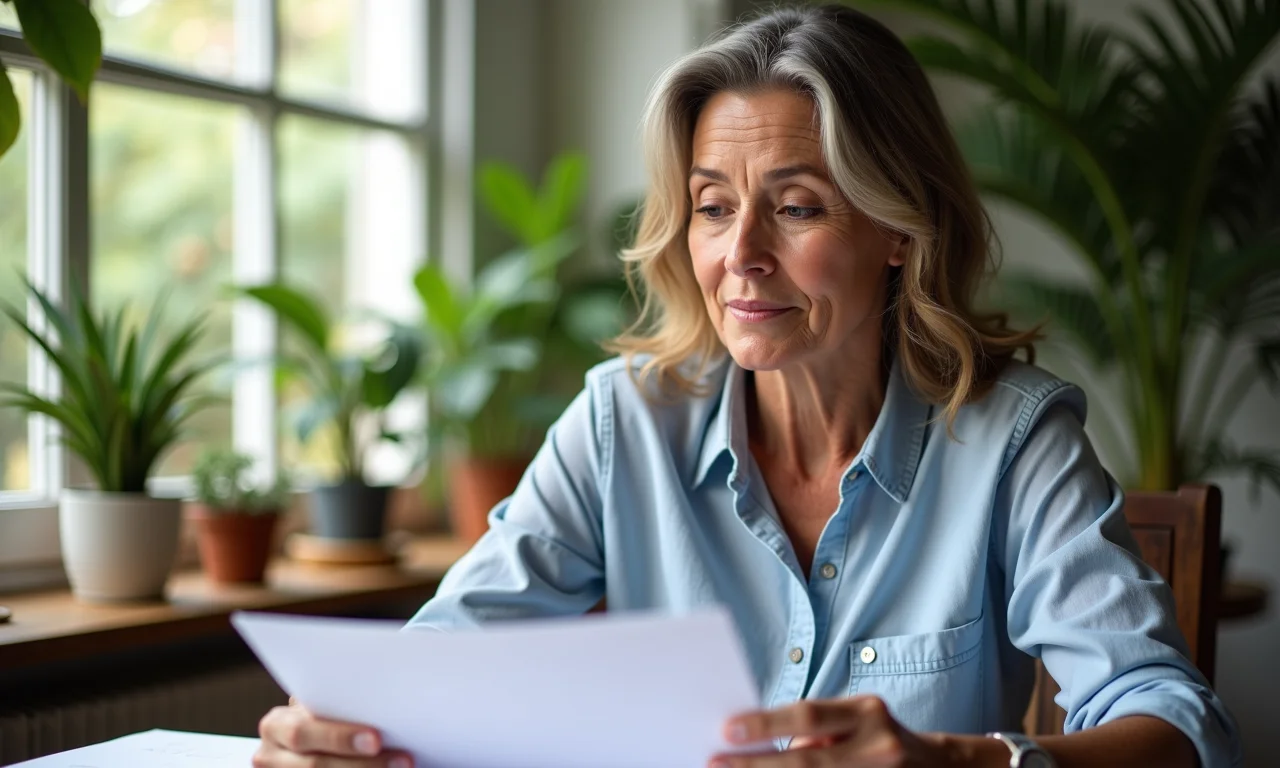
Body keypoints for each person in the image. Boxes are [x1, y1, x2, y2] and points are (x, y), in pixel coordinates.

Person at [254, 5, 1241, 767]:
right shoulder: (620, 424)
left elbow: (1177, 727)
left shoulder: (1012, 442)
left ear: (899, 230)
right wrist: (337, 732)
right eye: (712, 207)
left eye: (797, 207)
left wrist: (957, 762)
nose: (741, 256)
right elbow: (439, 667)